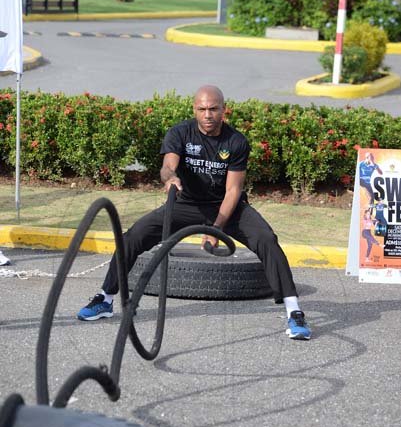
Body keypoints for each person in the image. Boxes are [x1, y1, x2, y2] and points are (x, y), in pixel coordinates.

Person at [77, 85, 311, 340]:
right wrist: (170, 179)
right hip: (185, 205)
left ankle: (294, 310)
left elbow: (233, 190)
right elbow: (168, 166)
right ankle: (106, 298)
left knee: (266, 239)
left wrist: (216, 229)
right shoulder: (180, 133)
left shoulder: (236, 142)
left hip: (226, 208)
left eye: (213, 109)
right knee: (133, 236)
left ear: (224, 110)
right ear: (194, 110)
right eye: (202, 109)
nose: (208, 114)